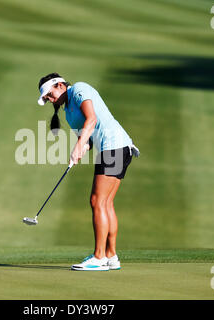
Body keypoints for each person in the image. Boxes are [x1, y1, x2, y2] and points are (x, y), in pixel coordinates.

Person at [37, 73, 139, 271]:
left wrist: (78, 145)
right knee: (106, 203)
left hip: (115, 147)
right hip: (114, 148)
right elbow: (89, 138)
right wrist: (82, 148)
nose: (50, 100)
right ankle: (111, 256)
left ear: (60, 85)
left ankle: (99, 257)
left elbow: (91, 119)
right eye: (47, 98)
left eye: (49, 95)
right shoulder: (67, 112)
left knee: (97, 201)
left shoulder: (78, 90)